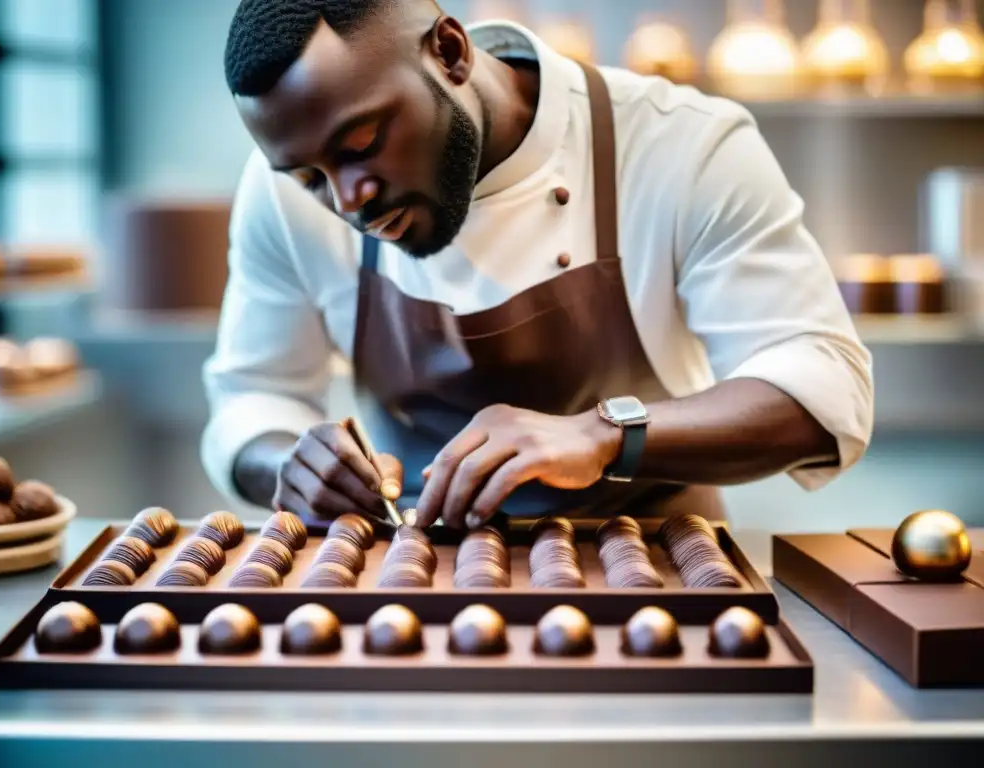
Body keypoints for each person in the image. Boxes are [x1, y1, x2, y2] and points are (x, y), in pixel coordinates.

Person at [202, 0, 873, 530]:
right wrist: (286, 464)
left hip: (663, 579)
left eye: (364, 143)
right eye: (310, 177)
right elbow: (252, 398)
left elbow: (822, 387)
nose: (348, 199)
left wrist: (604, 434)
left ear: (450, 52)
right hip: (411, 593)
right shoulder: (279, 198)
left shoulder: (679, 144)